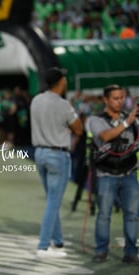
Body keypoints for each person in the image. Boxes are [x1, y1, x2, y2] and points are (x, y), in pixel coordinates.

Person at [30, 67, 83, 257]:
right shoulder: (63, 105)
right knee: (53, 202)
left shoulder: (36, 100)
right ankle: (43, 246)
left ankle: (58, 240)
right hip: (57, 155)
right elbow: (78, 129)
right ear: (61, 82)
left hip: (40, 154)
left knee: (52, 200)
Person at [88, 84, 139, 264]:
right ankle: (101, 250)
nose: (120, 102)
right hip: (106, 174)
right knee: (104, 214)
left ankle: (131, 252)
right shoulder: (95, 119)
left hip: (129, 172)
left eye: (122, 98)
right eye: (115, 98)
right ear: (106, 100)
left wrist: (132, 121)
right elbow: (105, 136)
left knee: (132, 214)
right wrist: (128, 122)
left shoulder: (132, 119)